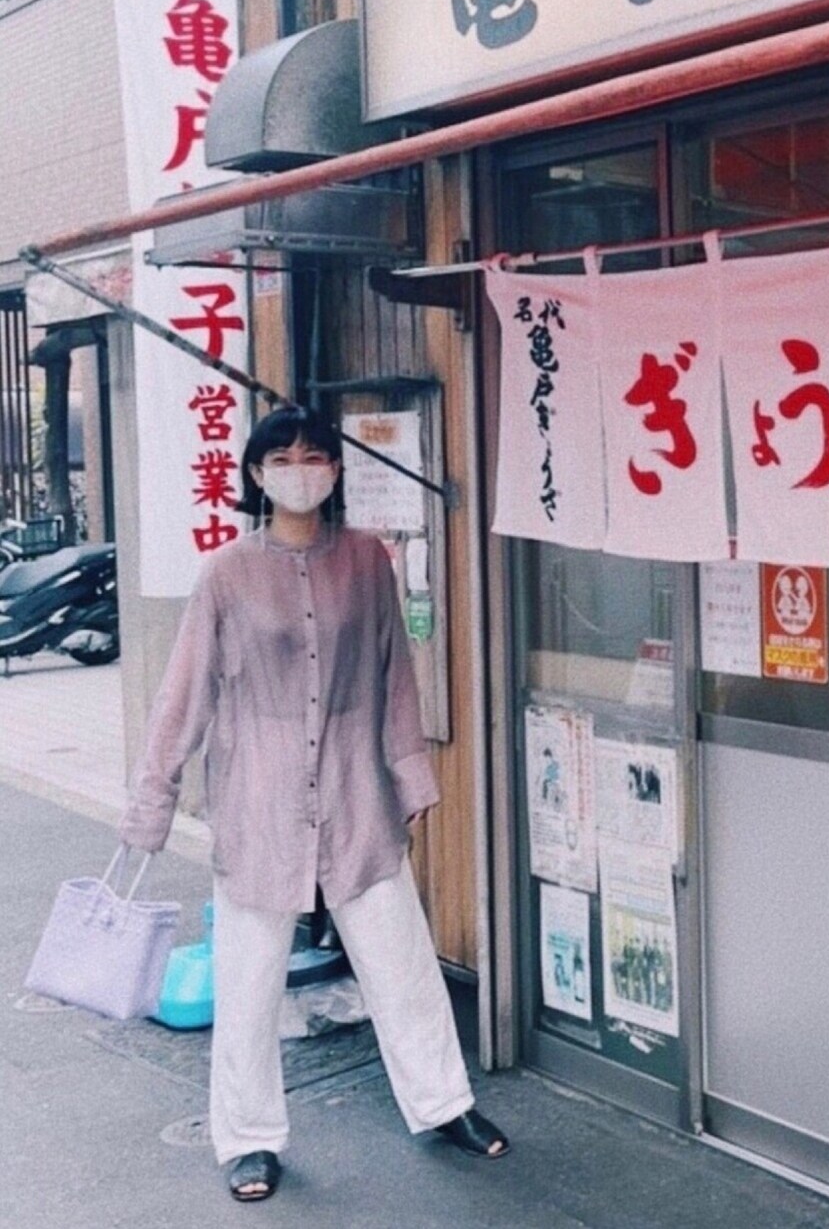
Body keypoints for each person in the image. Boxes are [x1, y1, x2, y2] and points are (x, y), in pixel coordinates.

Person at [118, 405, 509, 1203]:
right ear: (256, 474)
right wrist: (153, 799)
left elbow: (395, 675)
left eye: (315, 456)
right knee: (250, 980)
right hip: (257, 798)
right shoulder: (226, 573)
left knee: (401, 962)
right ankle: (249, 1139)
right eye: (284, 458)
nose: (301, 470)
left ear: (335, 470)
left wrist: (410, 775)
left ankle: (445, 1104)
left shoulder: (367, 561)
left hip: (355, 787)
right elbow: (183, 693)